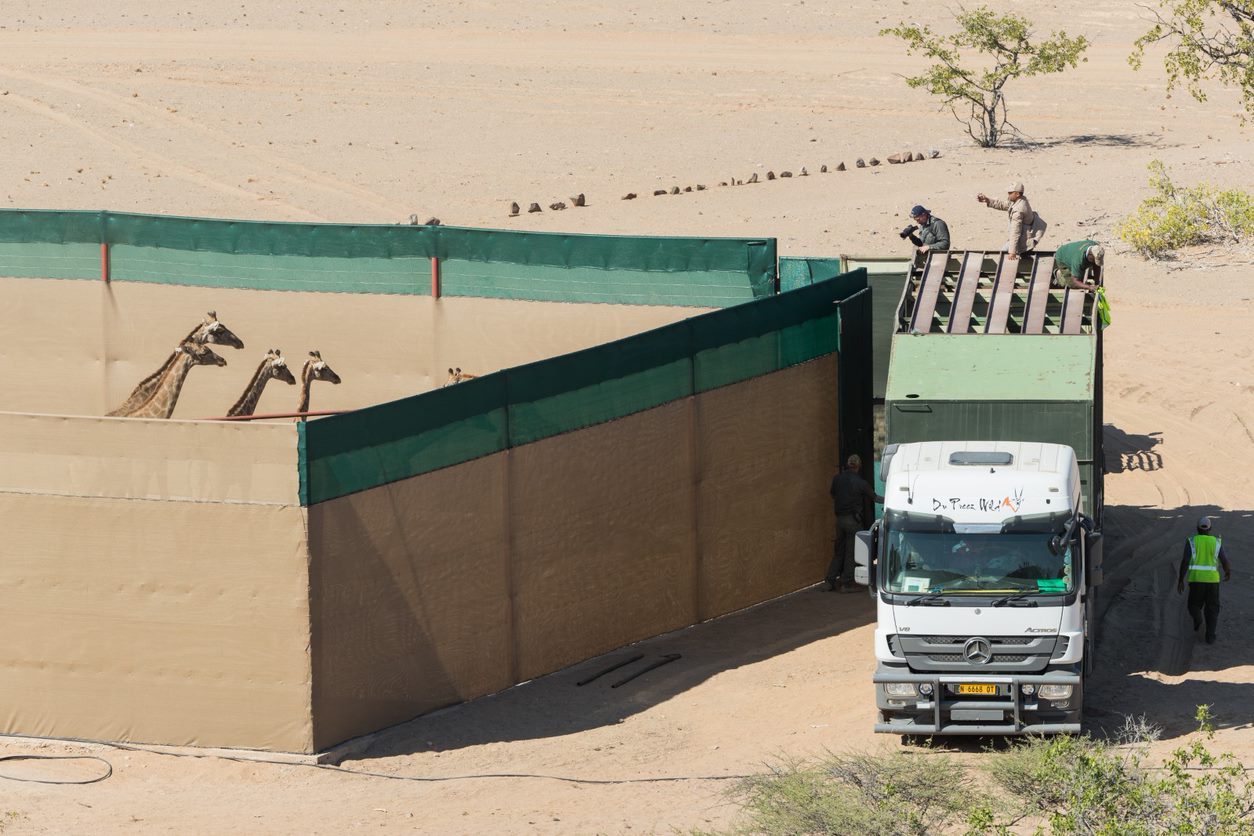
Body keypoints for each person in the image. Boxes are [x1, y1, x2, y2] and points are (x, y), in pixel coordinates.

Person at [825, 454, 883, 592]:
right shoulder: (861, 482)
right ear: (858, 466)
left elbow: (832, 494)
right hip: (852, 521)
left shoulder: (837, 479)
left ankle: (830, 581)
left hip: (839, 520)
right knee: (851, 552)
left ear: (847, 464)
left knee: (839, 551)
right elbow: (874, 498)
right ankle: (846, 583)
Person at [1176, 516, 1233, 644]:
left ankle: (1198, 618)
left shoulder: (1191, 541)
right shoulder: (1216, 542)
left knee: (1193, 605)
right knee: (1212, 609)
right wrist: (1227, 571)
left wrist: (1181, 579)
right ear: (1210, 528)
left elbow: (1185, 561)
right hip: (1213, 581)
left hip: (1196, 580)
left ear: (1197, 528)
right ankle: (1210, 636)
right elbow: (1224, 560)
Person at [977, 182, 1046, 260]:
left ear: (1017, 194)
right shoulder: (1019, 200)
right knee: (1020, 257)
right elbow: (1003, 205)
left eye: (1010, 193)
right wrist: (987, 200)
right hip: (1025, 236)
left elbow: (1015, 231)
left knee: (1003, 253)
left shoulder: (1019, 210)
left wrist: (1012, 251)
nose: (1008, 194)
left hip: (1025, 239)